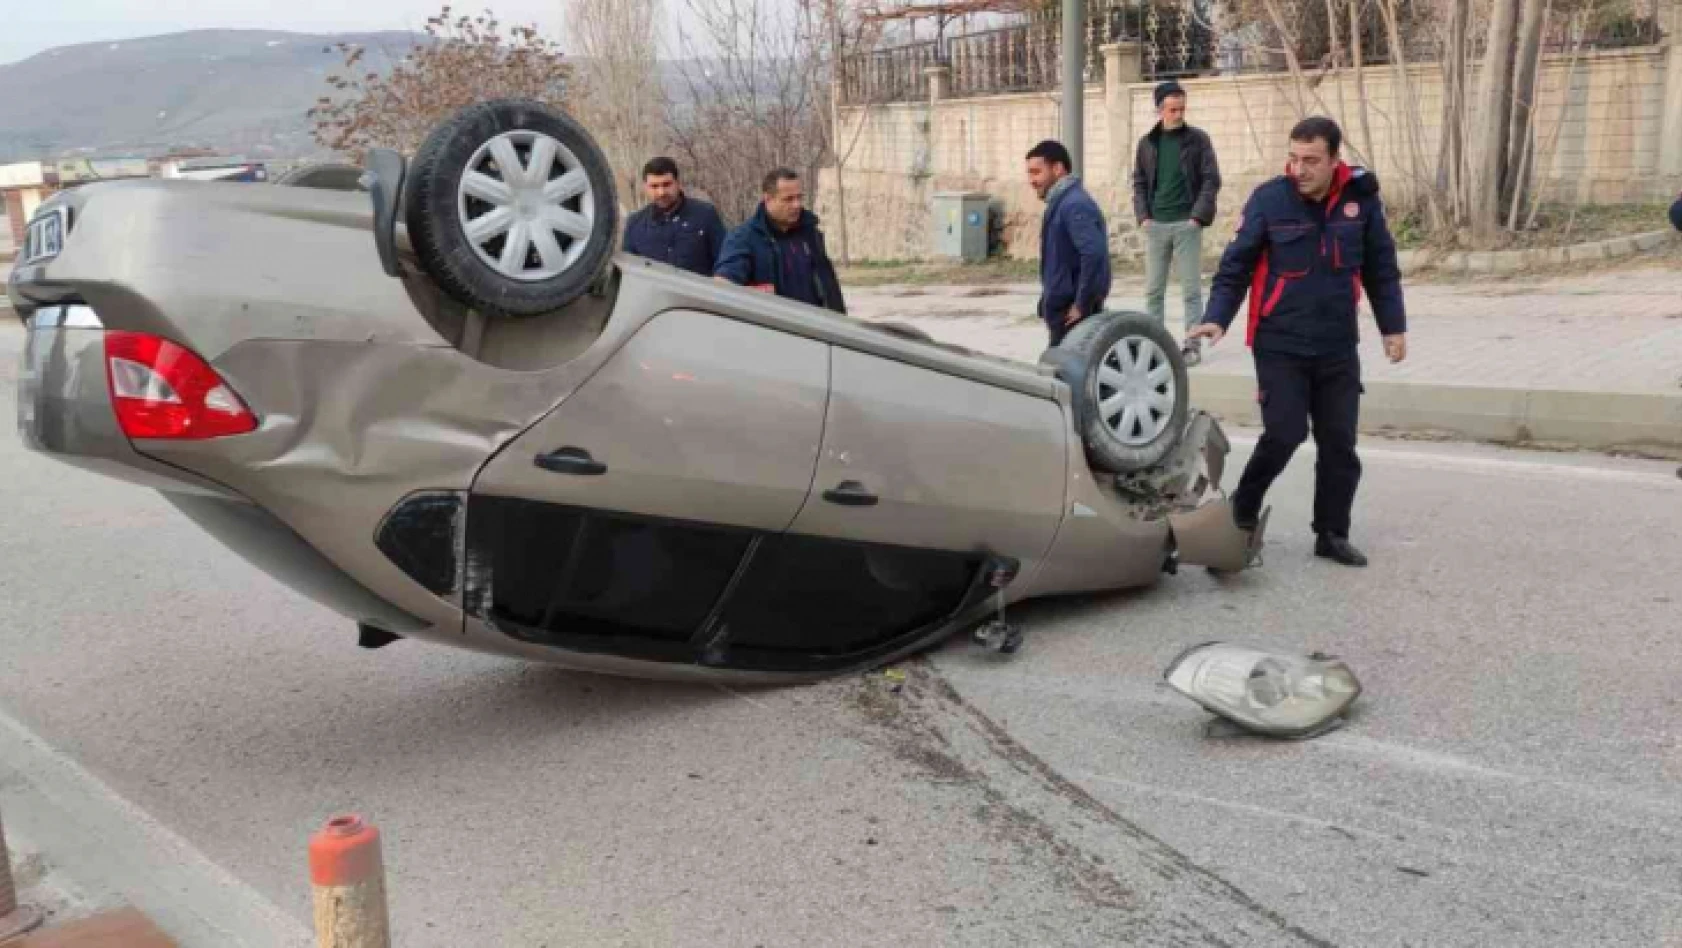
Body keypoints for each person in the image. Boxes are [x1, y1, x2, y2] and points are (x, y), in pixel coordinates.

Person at [1186, 116, 1407, 568]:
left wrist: (1393, 327)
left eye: (1311, 160)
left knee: (1339, 445)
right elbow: (1236, 266)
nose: (1299, 169)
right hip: (1280, 341)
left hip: (1337, 344)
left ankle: (1331, 533)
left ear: (1334, 161)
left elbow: (1380, 269)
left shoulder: (1360, 204)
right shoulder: (1270, 199)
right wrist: (1216, 318)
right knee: (1285, 433)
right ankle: (1240, 513)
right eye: (1293, 158)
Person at [1132, 80, 1222, 365]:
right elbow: (1139, 182)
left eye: (1182, 108)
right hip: (1156, 226)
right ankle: (1154, 346)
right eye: (1172, 109)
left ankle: (1191, 346)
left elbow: (1211, 179)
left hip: (1187, 225)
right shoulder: (1147, 143)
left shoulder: (1198, 139)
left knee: (1191, 290)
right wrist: (1143, 216)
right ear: (1160, 110)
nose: (1179, 114)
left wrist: (1197, 217)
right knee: (1153, 291)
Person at [713, 167, 846, 314]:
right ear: (768, 199)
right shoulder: (743, 238)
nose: (796, 205)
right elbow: (723, 286)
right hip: (774, 330)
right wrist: (758, 295)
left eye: (799, 197)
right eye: (788, 199)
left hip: (815, 327)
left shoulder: (810, 233)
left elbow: (829, 287)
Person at [1025, 139, 1112, 346]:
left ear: (1057, 169)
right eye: (1029, 173)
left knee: (1062, 373)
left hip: (1072, 314)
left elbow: (1093, 254)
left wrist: (1082, 303)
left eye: (1036, 172)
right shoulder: (1062, 202)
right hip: (1063, 308)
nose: (1031, 180)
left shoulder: (1074, 205)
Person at [621, 157, 726, 277]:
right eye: (654, 186)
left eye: (666, 184)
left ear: (677, 183)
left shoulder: (705, 215)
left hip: (697, 293)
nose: (661, 192)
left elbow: (724, 262)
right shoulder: (635, 224)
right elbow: (628, 272)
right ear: (645, 187)